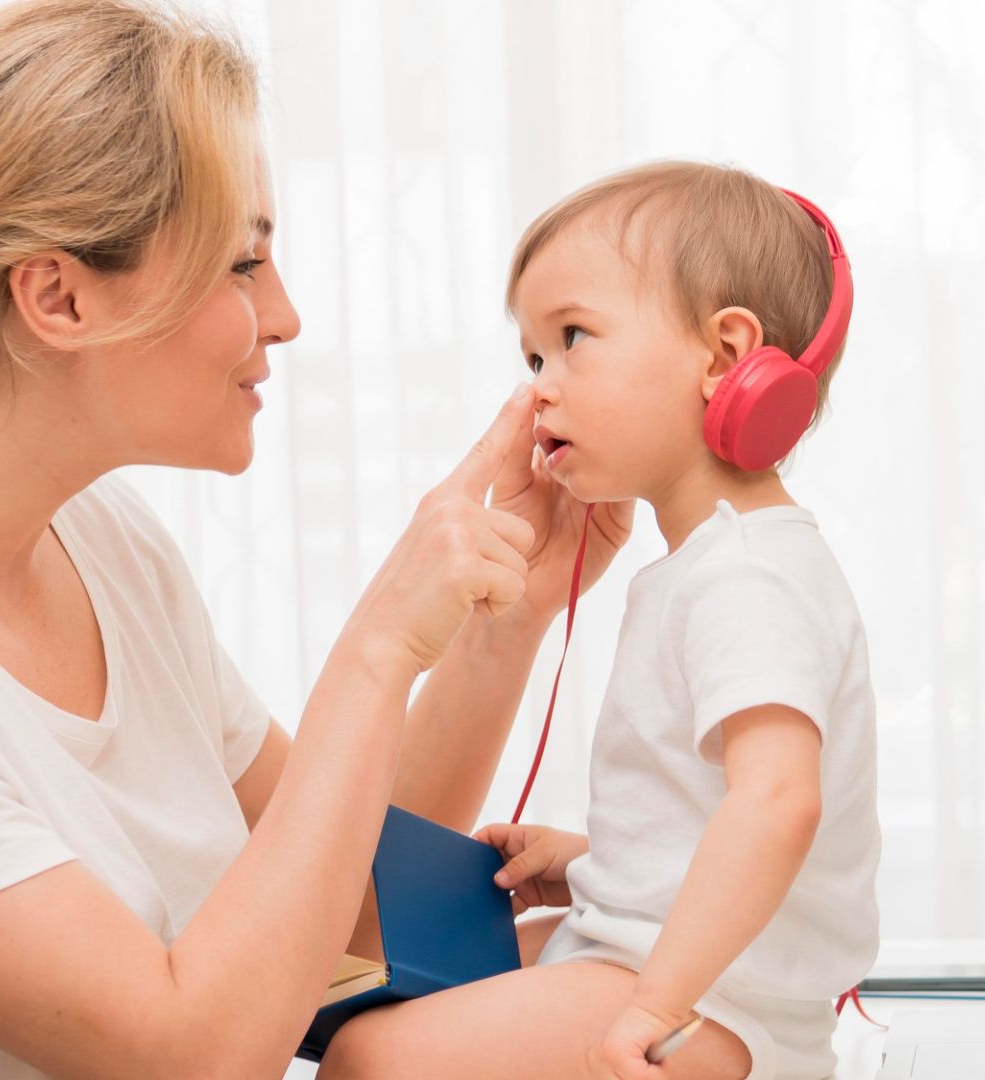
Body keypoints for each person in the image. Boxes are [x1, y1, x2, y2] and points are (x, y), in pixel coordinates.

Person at [0, 2, 633, 1077]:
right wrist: (378, 645)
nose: (287, 315)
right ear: (59, 296)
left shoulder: (101, 543)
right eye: (243, 265)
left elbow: (348, 911)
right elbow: (188, 1054)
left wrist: (504, 618)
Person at [317, 162, 882, 1080]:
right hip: (676, 970)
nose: (538, 387)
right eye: (532, 357)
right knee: (423, 987)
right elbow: (718, 805)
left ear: (726, 356)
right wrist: (600, 863)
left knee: (371, 1058)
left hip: (710, 1006)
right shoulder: (712, 564)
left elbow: (782, 802)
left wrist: (654, 1008)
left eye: (573, 338)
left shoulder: (747, 575)